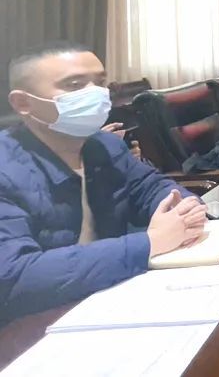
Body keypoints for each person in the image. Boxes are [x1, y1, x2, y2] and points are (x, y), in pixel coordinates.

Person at [0, 42, 204, 320]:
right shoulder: (7, 167)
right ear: (23, 103)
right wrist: (150, 242)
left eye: (100, 82)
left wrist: (186, 208)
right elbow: (15, 275)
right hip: (35, 324)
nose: (96, 94)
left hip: (114, 297)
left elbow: (152, 187)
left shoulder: (105, 145)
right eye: (74, 85)